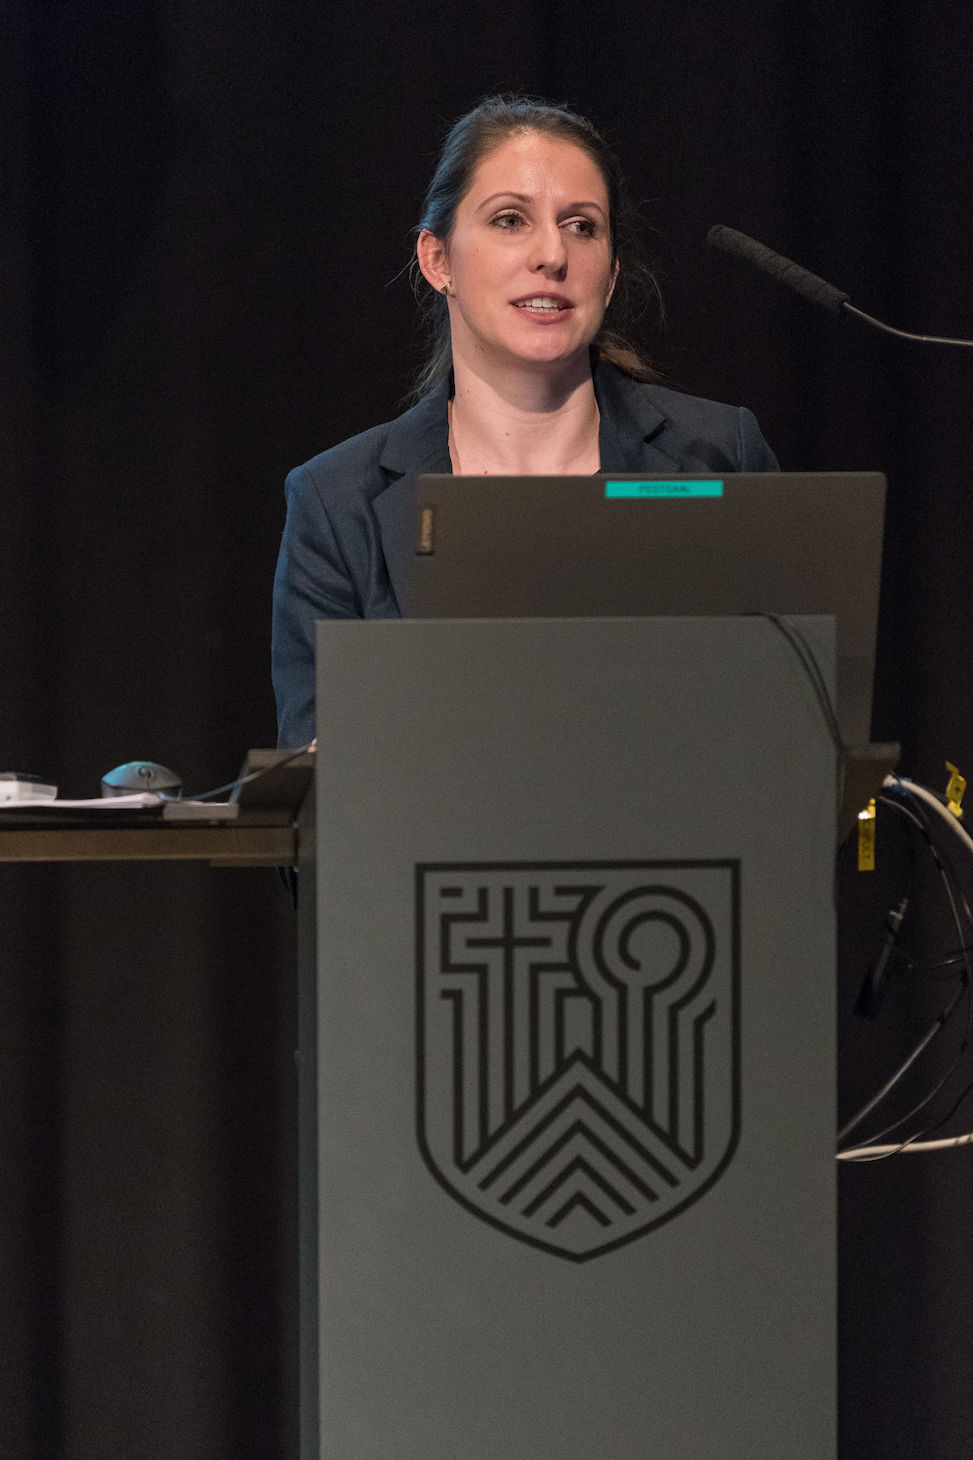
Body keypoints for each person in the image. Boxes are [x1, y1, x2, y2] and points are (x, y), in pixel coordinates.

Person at [272, 96, 778, 748]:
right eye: (510, 220)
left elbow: (788, 734)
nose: (552, 254)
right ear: (438, 260)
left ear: (610, 274)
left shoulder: (719, 454)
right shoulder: (339, 500)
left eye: (582, 226)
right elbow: (314, 789)